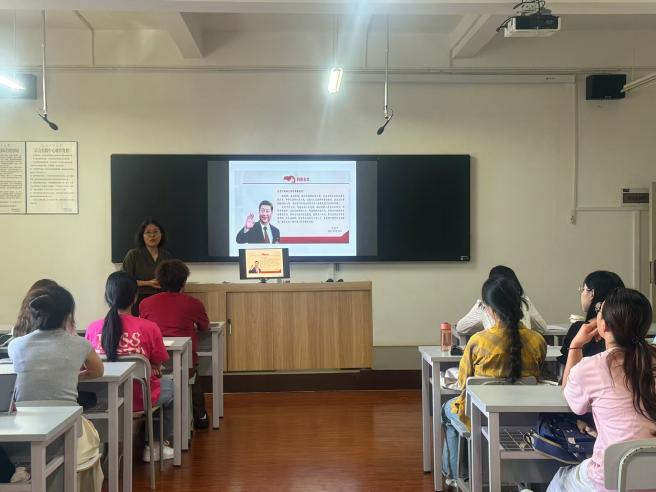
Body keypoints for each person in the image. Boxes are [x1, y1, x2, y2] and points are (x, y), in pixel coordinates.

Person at [548, 288, 656, 491]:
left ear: (603, 325)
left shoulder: (593, 367)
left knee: (561, 478)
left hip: (612, 479)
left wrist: (576, 345)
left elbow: (570, 398)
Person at [441, 275, 547, 481]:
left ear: (489, 309)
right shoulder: (538, 341)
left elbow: (463, 383)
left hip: (479, 417)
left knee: (446, 409)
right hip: (524, 418)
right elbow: (538, 374)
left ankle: (457, 476)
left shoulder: (478, 341)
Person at [8, 284, 105, 491]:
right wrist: (72, 376)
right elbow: (97, 371)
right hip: (67, 426)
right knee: (93, 434)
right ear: (68, 315)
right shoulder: (80, 344)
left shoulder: (15, 345)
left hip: (24, 426)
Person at [85, 271, 174, 462]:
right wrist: (152, 367)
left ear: (107, 296)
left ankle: (100, 446)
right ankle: (155, 446)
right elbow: (157, 363)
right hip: (140, 399)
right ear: (135, 297)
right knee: (171, 388)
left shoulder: (93, 328)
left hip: (102, 400)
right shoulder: (149, 327)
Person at [139, 259, 211, 429]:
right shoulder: (193, 303)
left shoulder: (145, 303)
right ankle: (200, 415)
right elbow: (205, 327)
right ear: (184, 281)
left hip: (154, 366)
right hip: (184, 366)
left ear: (159, 281)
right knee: (192, 371)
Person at [455, 265, 547, 337]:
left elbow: (460, 328)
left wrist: (485, 330)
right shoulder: (525, 302)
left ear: (492, 287)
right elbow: (542, 328)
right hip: (527, 351)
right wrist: (527, 332)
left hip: (491, 352)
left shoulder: (484, 306)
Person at [557, 271, 624, 365]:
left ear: (592, 293)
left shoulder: (580, 329)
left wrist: (576, 344)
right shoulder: (626, 328)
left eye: (583, 289)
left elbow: (569, 372)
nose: (581, 293)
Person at [122, 218, 173, 314]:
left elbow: (172, 279)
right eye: (148, 232)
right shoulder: (133, 255)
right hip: (139, 300)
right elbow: (124, 281)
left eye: (156, 232)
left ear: (161, 234)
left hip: (163, 299)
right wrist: (148, 283)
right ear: (142, 236)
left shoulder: (166, 255)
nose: (152, 235)